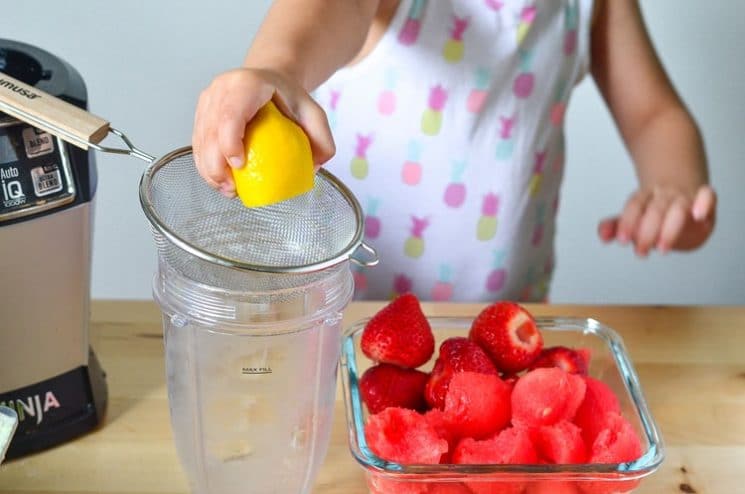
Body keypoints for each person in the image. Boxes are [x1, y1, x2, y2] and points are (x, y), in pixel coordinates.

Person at [191, 0, 716, 302]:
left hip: (501, 338)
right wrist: (277, 68)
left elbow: (655, 116)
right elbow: (331, 9)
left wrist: (673, 188)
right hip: (343, 325)